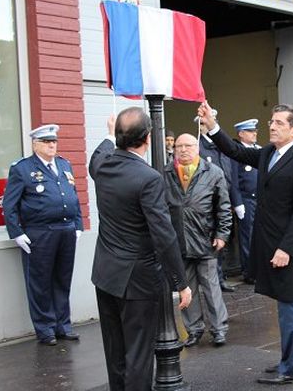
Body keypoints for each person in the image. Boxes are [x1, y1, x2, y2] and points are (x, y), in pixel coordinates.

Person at [198, 101, 293, 385]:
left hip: (287, 248)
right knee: (288, 304)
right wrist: (212, 125)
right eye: (271, 122)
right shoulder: (270, 154)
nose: (271, 126)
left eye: (278, 123)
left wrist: (286, 249)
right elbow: (235, 150)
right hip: (272, 244)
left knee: (290, 305)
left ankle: (292, 368)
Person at [89, 108, 191, 390]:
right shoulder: (148, 178)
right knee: (138, 356)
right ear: (147, 138)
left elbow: (95, 158)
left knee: (116, 354)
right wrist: (180, 282)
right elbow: (164, 235)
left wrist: (110, 135)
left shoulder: (102, 167)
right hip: (137, 280)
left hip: (105, 275)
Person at [3, 124, 83, 346]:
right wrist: (17, 233)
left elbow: (73, 197)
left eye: (54, 141)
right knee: (40, 282)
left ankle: (63, 325)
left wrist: (78, 224)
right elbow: (10, 205)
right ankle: (45, 328)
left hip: (66, 231)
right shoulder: (22, 168)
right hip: (40, 233)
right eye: (47, 142)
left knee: (62, 280)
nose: (51, 145)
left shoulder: (64, 165)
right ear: (35, 144)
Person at [164, 133, 232, 348]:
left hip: (205, 239)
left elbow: (223, 207)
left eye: (188, 145)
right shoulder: (165, 173)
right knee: (186, 288)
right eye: (179, 146)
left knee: (211, 287)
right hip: (178, 241)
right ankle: (193, 329)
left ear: (197, 147)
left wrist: (222, 234)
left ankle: (218, 329)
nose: (183, 149)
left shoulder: (213, 172)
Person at [198, 117, 240, 293]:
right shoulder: (199, 146)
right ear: (200, 126)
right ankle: (213, 280)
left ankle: (221, 278)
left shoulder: (222, 145)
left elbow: (230, 175)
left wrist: (234, 201)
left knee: (223, 241)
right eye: (205, 123)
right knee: (210, 243)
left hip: (224, 201)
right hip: (208, 202)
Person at [230, 119, 260, 284]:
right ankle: (249, 271)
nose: (254, 133)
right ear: (241, 134)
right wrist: (237, 202)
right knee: (247, 237)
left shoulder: (258, 150)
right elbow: (233, 180)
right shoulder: (238, 152)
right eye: (250, 131)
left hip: (259, 199)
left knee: (259, 236)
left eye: (255, 131)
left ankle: (259, 268)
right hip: (246, 200)